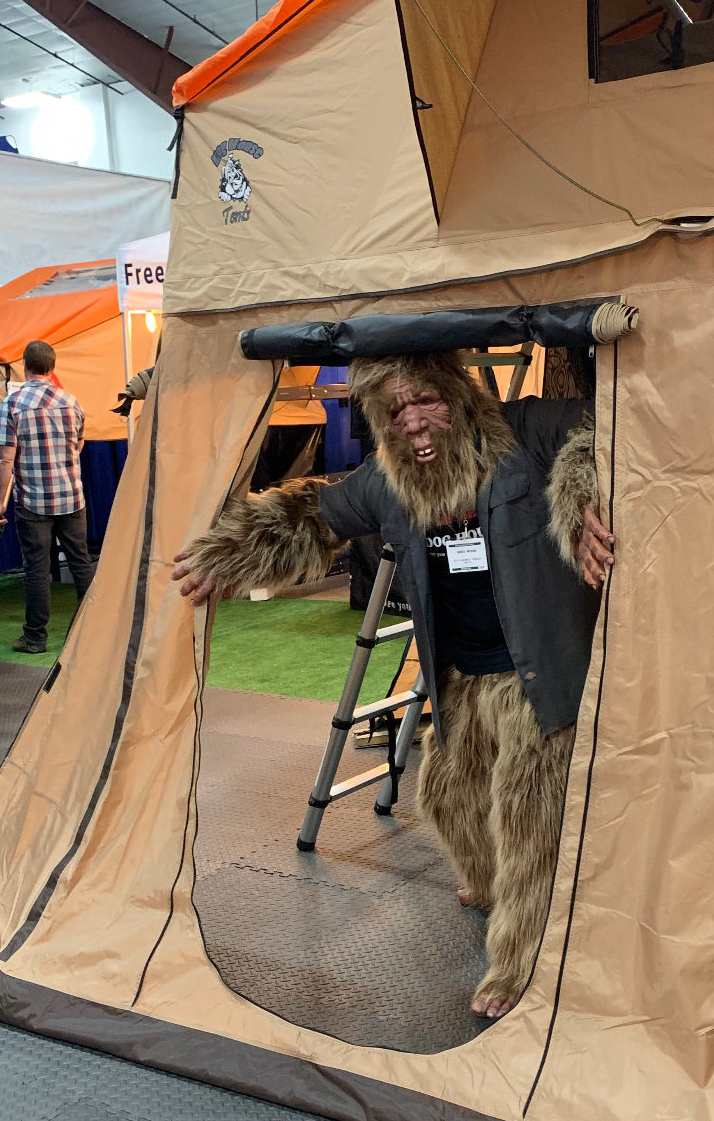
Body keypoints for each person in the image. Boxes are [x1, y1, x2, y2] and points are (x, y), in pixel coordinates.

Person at [171, 352, 615, 1019]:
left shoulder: (521, 434)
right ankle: (488, 883)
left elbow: (603, 429)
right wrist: (226, 554)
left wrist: (580, 503)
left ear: (458, 395)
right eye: (395, 409)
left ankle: (521, 961)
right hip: (461, 675)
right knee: (446, 795)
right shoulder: (388, 479)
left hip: (536, 672)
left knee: (529, 821)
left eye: (426, 401)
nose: (412, 422)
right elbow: (313, 514)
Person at [0, 340, 94, 654]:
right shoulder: (71, 401)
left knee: (37, 569)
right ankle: (95, 631)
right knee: (81, 562)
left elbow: (4, 459)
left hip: (33, 501)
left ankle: (35, 638)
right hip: (71, 497)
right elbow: (79, 444)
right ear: (53, 366)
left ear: (25, 365)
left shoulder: (12, 403)